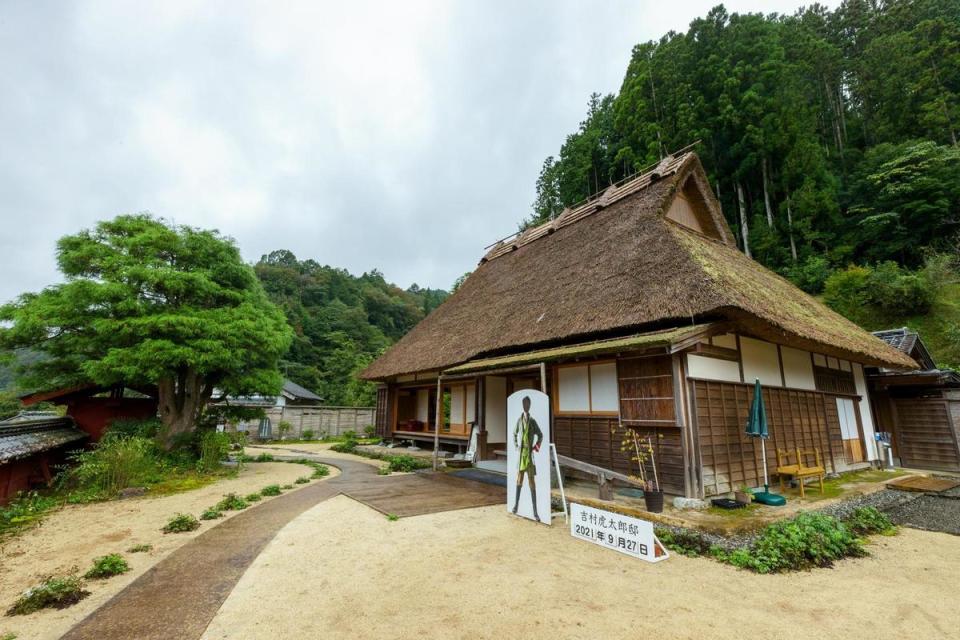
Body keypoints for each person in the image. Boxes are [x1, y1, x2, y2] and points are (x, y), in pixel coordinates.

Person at [512, 395, 544, 522]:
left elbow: (540, 435)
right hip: (521, 455)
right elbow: (514, 434)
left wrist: (536, 446)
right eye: (524, 403)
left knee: (532, 482)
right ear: (522, 405)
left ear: (530, 405)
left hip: (529, 454)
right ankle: (515, 506)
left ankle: (535, 512)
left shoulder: (533, 421)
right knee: (519, 479)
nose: (526, 405)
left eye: (528, 404)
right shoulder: (519, 421)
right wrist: (516, 446)